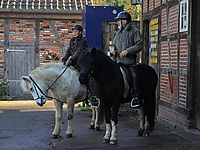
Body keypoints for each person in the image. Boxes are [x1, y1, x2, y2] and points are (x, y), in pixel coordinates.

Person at [110, 11, 143, 108]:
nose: (117, 23)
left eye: (119, 20)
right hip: (117, 61)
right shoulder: (118, 32)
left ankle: (136, 97)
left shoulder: (135, 31)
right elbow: (113, 44)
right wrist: (112, 49)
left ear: (125, 21)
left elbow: (139, 45)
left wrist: (128, 51)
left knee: (134, 75)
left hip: (129, 63)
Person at [62, 24, 99, 107]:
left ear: (80, 32)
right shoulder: (72, 40)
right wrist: (65, 58)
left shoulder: (83, 41)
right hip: (73, 62)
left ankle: (93, 96)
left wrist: (72, 59)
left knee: (86, 76)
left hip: (81, 62)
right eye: (73, 31)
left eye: (76, 31)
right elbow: (69, 50)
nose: (74, 33)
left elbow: (79, 52)